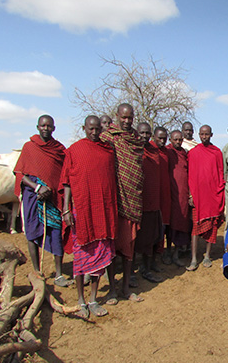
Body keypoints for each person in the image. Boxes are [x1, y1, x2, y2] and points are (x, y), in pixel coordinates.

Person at [60, 115, 117, 318]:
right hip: (82, 212)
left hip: (102, 212)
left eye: (97, 129)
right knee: (81, 257)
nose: (94, 132)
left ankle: (93, 299)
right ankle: (80, 300)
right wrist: (66, 209)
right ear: (84, 128)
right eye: (90, 129)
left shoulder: (108, 151)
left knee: (100, 257)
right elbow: (66, 181)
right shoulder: (74, 151)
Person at [13, 114, 70, 287]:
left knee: (56, 232)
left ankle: (59, 274)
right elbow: (20, 174)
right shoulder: (29, 147)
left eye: (49, 126)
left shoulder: (59, 149)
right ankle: (37, 271)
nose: (45, 128)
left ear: (54, 128)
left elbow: (65, 172)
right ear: (37, 127)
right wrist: (38, 187)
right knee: (32, 232)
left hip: (53, 198)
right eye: (42, 126)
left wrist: (50, 189)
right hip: (33, 196)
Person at [99, 103, 144, 304]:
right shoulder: (107, 138)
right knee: (112, 248)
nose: (127, 121)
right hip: (114, 201)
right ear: (116, 116)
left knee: (129, 247)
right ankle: (112, 290)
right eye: (123, 117)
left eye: (130, 118)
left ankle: (126, 288)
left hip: (133, 199)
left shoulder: (135, 140)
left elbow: (137, 168)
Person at [187, 125, 225, 270]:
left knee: (212, 226)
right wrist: (190, 194)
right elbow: (189, 175)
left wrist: (219, 193)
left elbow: (220, 174)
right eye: (202, 134)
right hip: (198, 196)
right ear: (199, 135)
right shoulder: (193, 153)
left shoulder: (216, 153)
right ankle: (194, 258)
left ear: (211, 135)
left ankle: (207, 256)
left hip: (212, 196)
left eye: (207, 134)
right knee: (195, 228)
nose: (204, 137)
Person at [134, 122, 164, 283]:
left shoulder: (154, 151)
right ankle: (132, 272)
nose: (144, 136)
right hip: (137, 203)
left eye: (147, 133)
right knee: (134, 239)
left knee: (151, 237)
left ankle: (146, 268)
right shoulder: (132, 150)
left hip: (153, 202)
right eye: (142, 133)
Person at [166, 130, 191, 266]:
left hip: (182, 194)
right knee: (169, 224)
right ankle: (167, 251)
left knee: (180, 222)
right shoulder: (167, 152)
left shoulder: (184, 154)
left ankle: (176, 252)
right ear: (170, 139)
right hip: (169, 193)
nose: (178, 142)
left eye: (180, 140)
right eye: (175, 140)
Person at [153, 127, 172, 265]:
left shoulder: (167, 152)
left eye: (164, 138)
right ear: (154, 137)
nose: (162, 141)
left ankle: (160, 255)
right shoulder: (148, 150)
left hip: (165, 195)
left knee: (163, 227)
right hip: (152, 197)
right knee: (152, 229)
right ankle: (149, 261)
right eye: (159, 138)